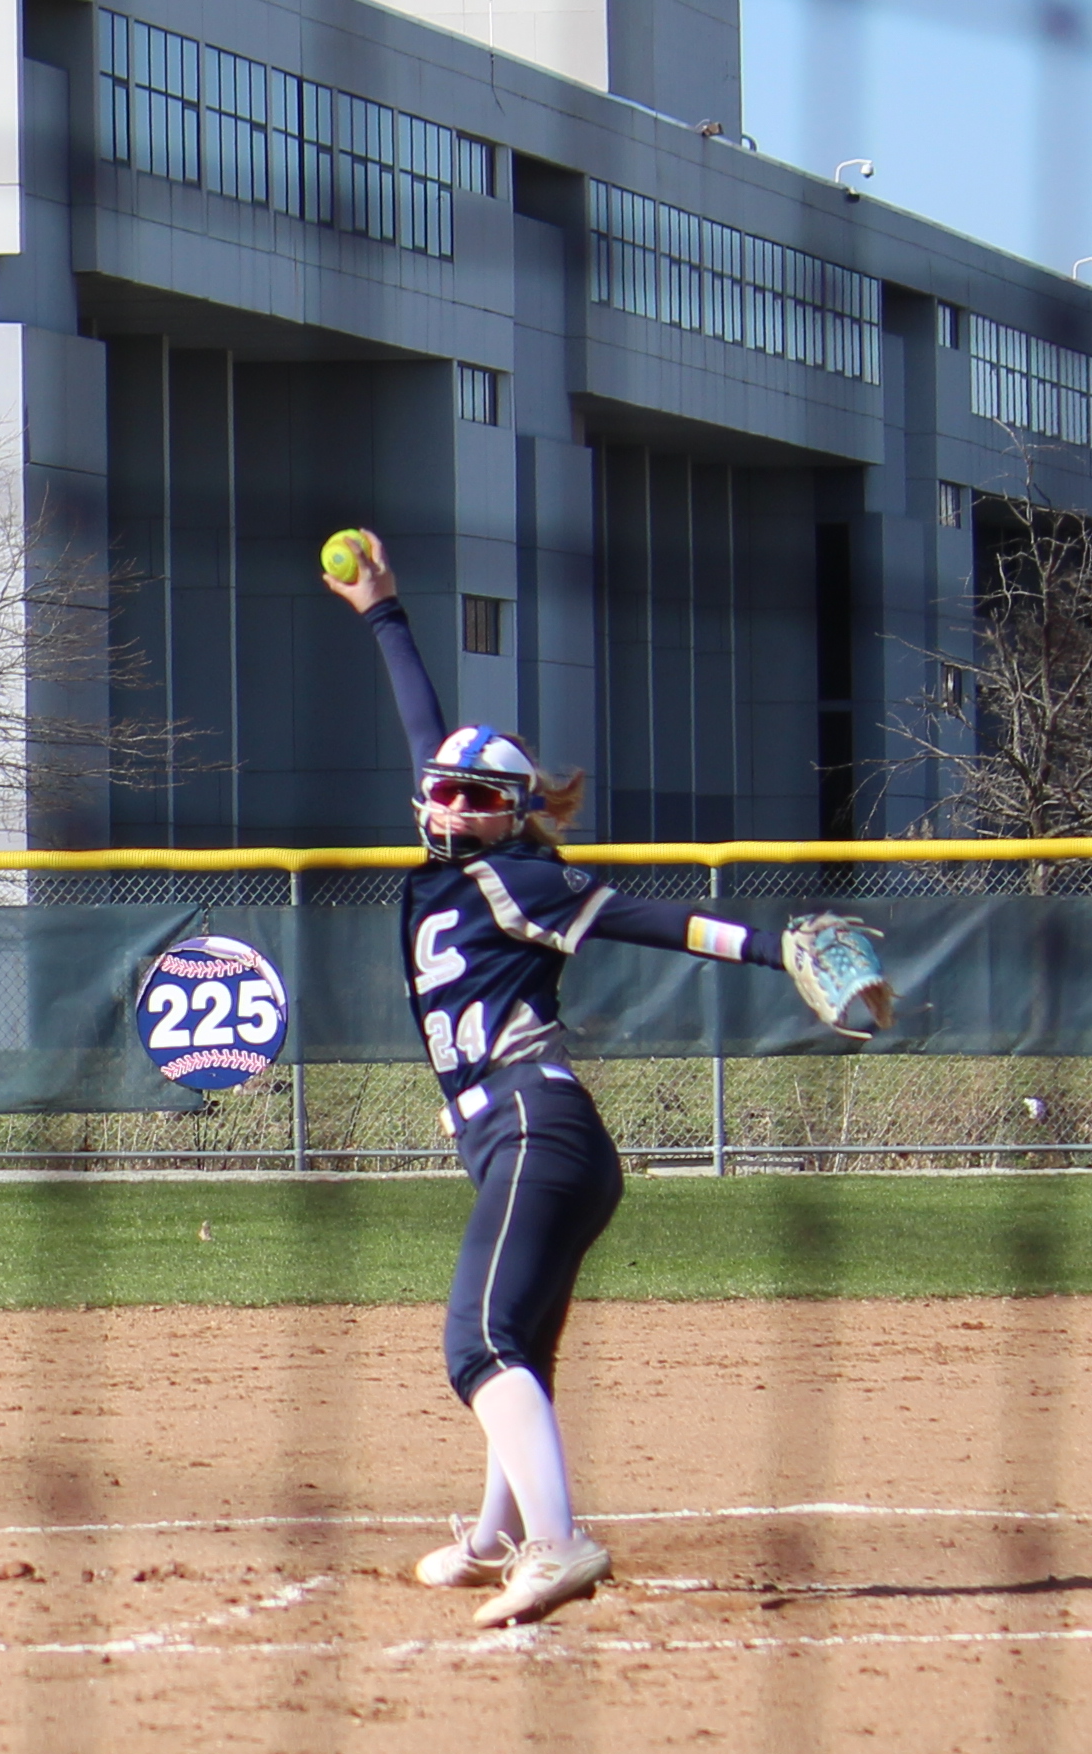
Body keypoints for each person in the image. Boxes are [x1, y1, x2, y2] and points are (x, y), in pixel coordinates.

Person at [327, 538, 789, 1628]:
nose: (444, 803)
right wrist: (381, 610)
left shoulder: (520, 875)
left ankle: (557, 1544)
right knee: (521, 1347)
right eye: (440, 791)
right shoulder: (461, 857)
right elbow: (425, 728)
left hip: (537, 1127)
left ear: (508, 811)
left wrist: (779, 950)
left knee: (478, 1344)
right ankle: (496, 1539)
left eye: (470, 796)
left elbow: (658, 921)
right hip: (522, 1140)